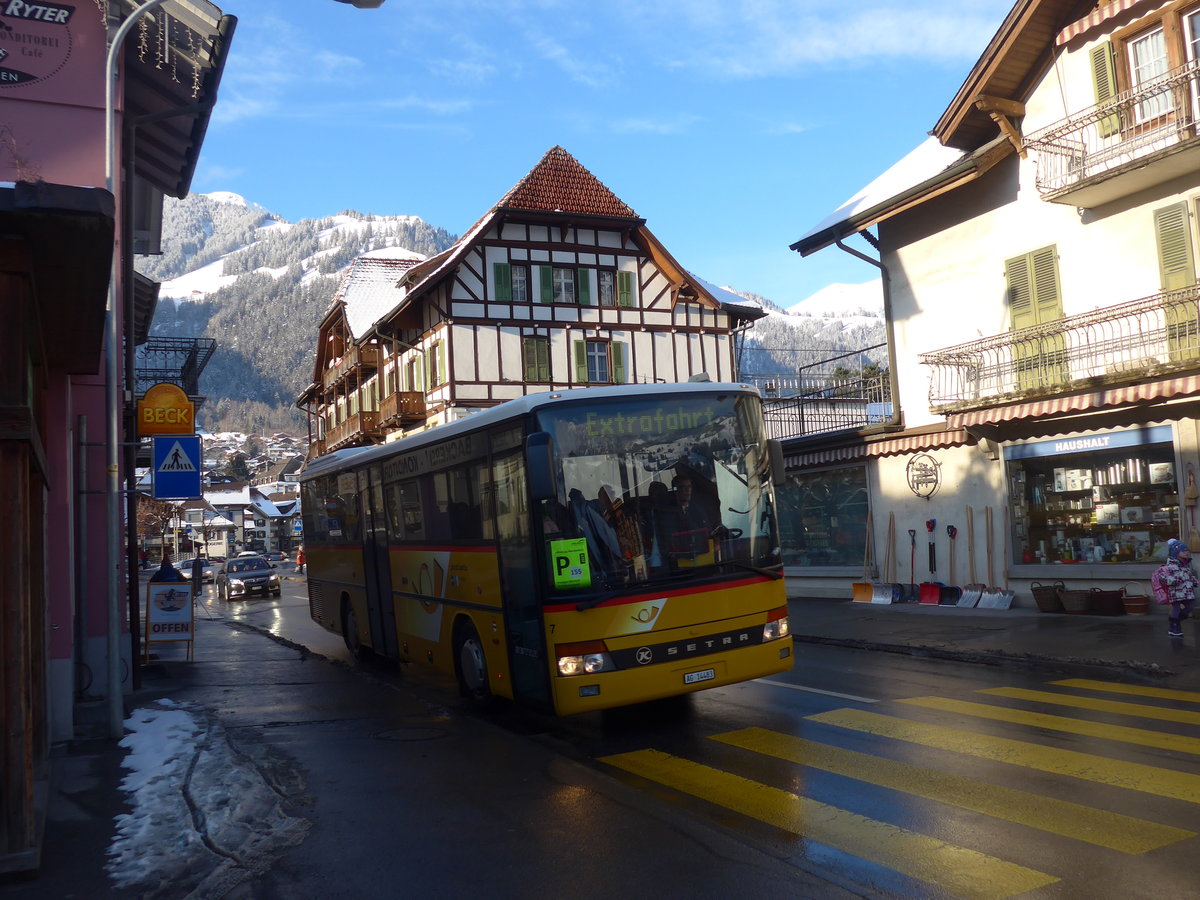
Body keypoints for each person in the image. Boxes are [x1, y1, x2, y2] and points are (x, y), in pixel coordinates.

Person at [1162, 538, 1197, 637]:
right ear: (1176, 552)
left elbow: (1189, 575)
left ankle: (1175, 621)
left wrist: (1194, 581)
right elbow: (1165, 579)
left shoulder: (1186, 564)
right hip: (1176, 592)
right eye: (1183, 551)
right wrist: (1177, 579)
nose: (1186, 553)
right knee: (1176, 609)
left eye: (1187, 550)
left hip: (1187, 591)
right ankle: (1175, 627)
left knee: (1190, 607)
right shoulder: (1170, 566)